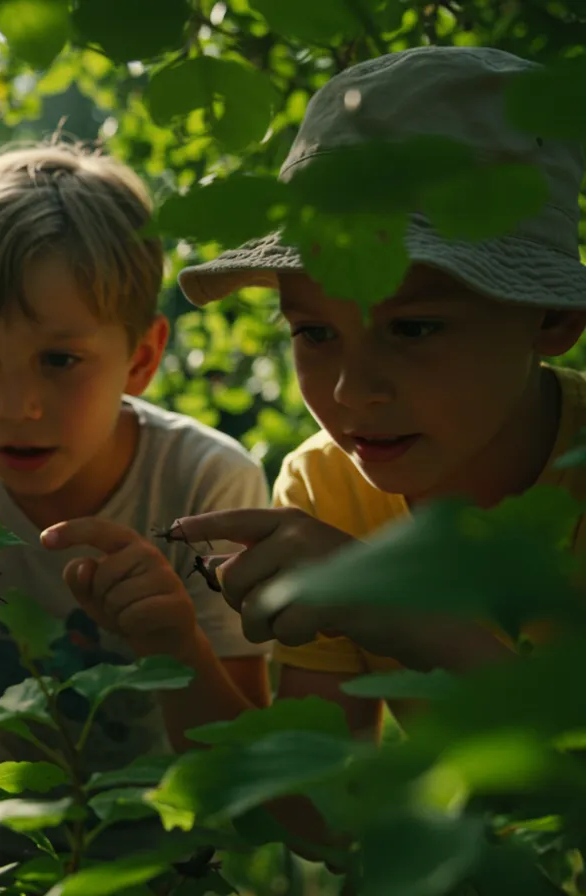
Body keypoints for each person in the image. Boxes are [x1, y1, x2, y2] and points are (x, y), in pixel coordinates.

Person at [0, 142, 272, 868]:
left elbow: (249, 775)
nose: (17, 408)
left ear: (142, 355)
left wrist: (178, 644)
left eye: (60, 360)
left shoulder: (205, 484)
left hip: (168, 869)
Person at [172, 45, 586, 739]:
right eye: (315, 333)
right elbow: (327, 821)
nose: (351, 391)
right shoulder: (327, 488)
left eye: (414, 328)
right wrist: (171, 640)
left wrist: (393, 610)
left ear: (551, 319)